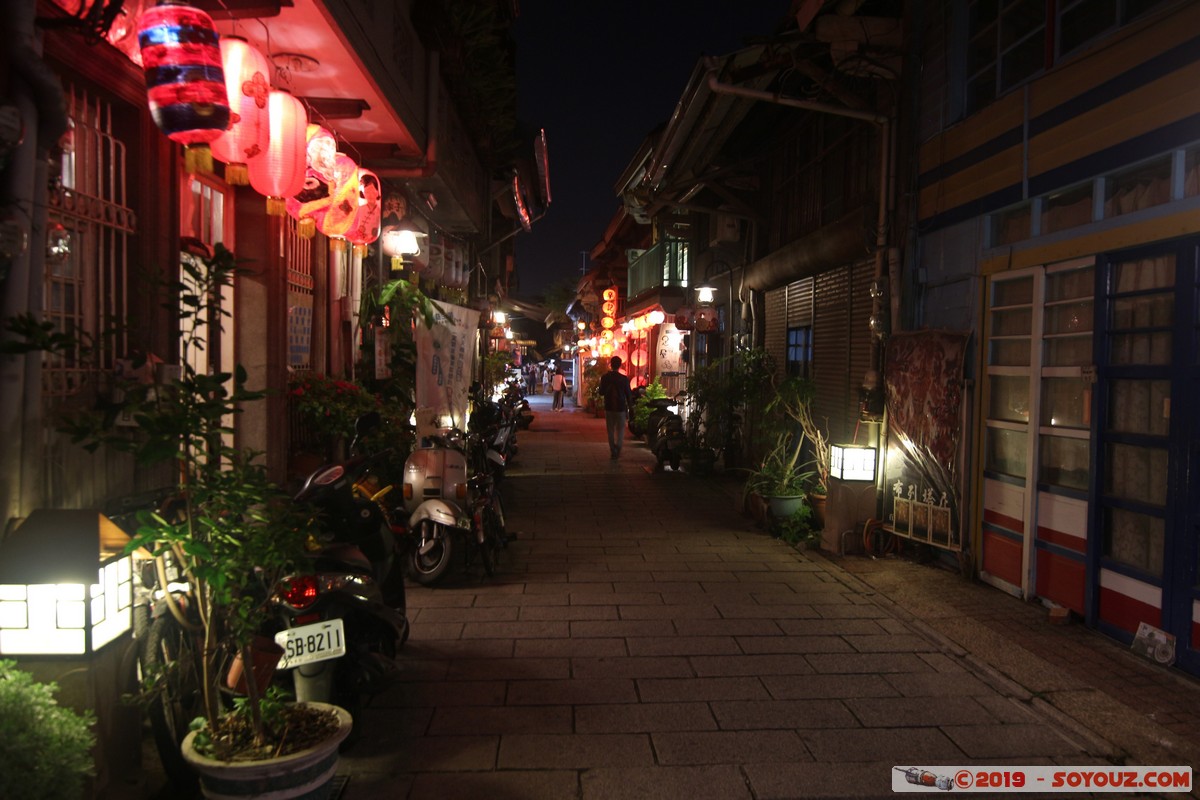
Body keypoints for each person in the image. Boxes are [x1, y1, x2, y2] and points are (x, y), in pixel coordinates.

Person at [598, 356, 633, 458]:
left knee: (610, 430)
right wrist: (631, 407)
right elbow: (628, 394)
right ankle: (618, 447)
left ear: (610, 364)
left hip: (609, 407)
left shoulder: (605, 377)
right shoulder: (624, 379)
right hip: (621, 407)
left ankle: (613, 450)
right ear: (620, 365)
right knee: (621, 429)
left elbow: (601, 392)